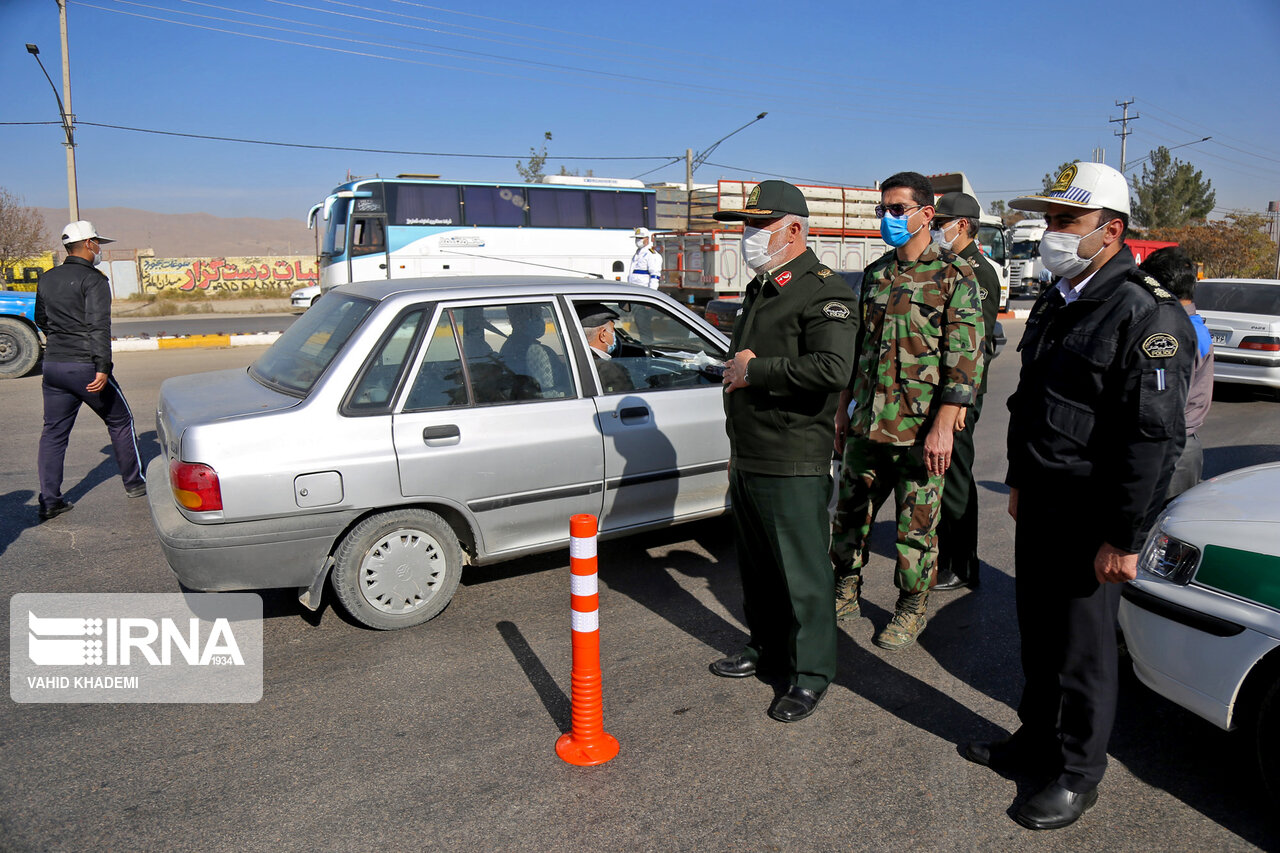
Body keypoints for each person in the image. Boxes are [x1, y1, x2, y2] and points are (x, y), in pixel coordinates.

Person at [963, 163, 1195, 831]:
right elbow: (1034, 401)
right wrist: (1019, 482)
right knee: (1037, 638)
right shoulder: (1062, 296)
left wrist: (1126, 537)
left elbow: (1154, 440)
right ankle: (1034, 741)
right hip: (1041, 501)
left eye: (1066, 221)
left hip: (1094, 519)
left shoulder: (1149, 312)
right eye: (1050, 219)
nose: (1050, 232)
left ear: (1111, 230)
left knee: (1084, 652)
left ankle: (1078, 772)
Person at [709, 180, 857, 722]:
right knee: (759, 568)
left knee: (801, 573)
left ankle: (811, 672)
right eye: (745, 225)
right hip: (750, 452)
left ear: (793, 229)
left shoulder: (825, 292)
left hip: (793, 453)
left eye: (758, 226)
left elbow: (833, 370)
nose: (748, 236)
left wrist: (757, 372)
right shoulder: (763, 286)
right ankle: (765, 647)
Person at [829, 172, 984, 650]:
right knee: (850, 517)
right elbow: (859, 352)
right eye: (884, 210)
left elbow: (964, 361)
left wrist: (943, 428)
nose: (889, 218)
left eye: (898, 210)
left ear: (925, 214)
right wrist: (840, 411)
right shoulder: (876, 274)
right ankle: (845, 589)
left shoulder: (955, 276)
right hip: (867, 423)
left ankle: (910, 607)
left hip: (920, 432)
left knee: (916, 527)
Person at [35, 221, 146, 520]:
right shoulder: (94, 280)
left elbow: (41, 319)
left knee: (53, 433)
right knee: (121, 421)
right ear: (88, 244)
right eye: (98, 243)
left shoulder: (47, 279)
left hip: (54, 367)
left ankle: (49, 500)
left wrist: (63, 340)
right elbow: (99, 326)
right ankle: (135, 484)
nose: (99, 248)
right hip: (85, 367)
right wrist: (102, 367)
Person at [931, 192, 1002, 592]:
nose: (935, 229)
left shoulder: (977, 271)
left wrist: (960, 398)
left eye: (940, 222)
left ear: (961, 225)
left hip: (960, 394)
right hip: (944, 389)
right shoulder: (948, 265)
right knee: (944, 473)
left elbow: (978, 345)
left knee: (956, 474)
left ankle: (962, 564)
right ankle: (946, 555)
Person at [1139, 247, 1213, 502]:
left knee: (1154, 531)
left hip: (1168, 449)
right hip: (1180, 446)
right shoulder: (1193, 326)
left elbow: (1159, 404)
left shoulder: (1174, 333)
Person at [574, 302, 633, 393]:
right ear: (603, 335)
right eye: (613, 330)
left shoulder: (573, 358)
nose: (614, 335)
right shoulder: (610, 370)